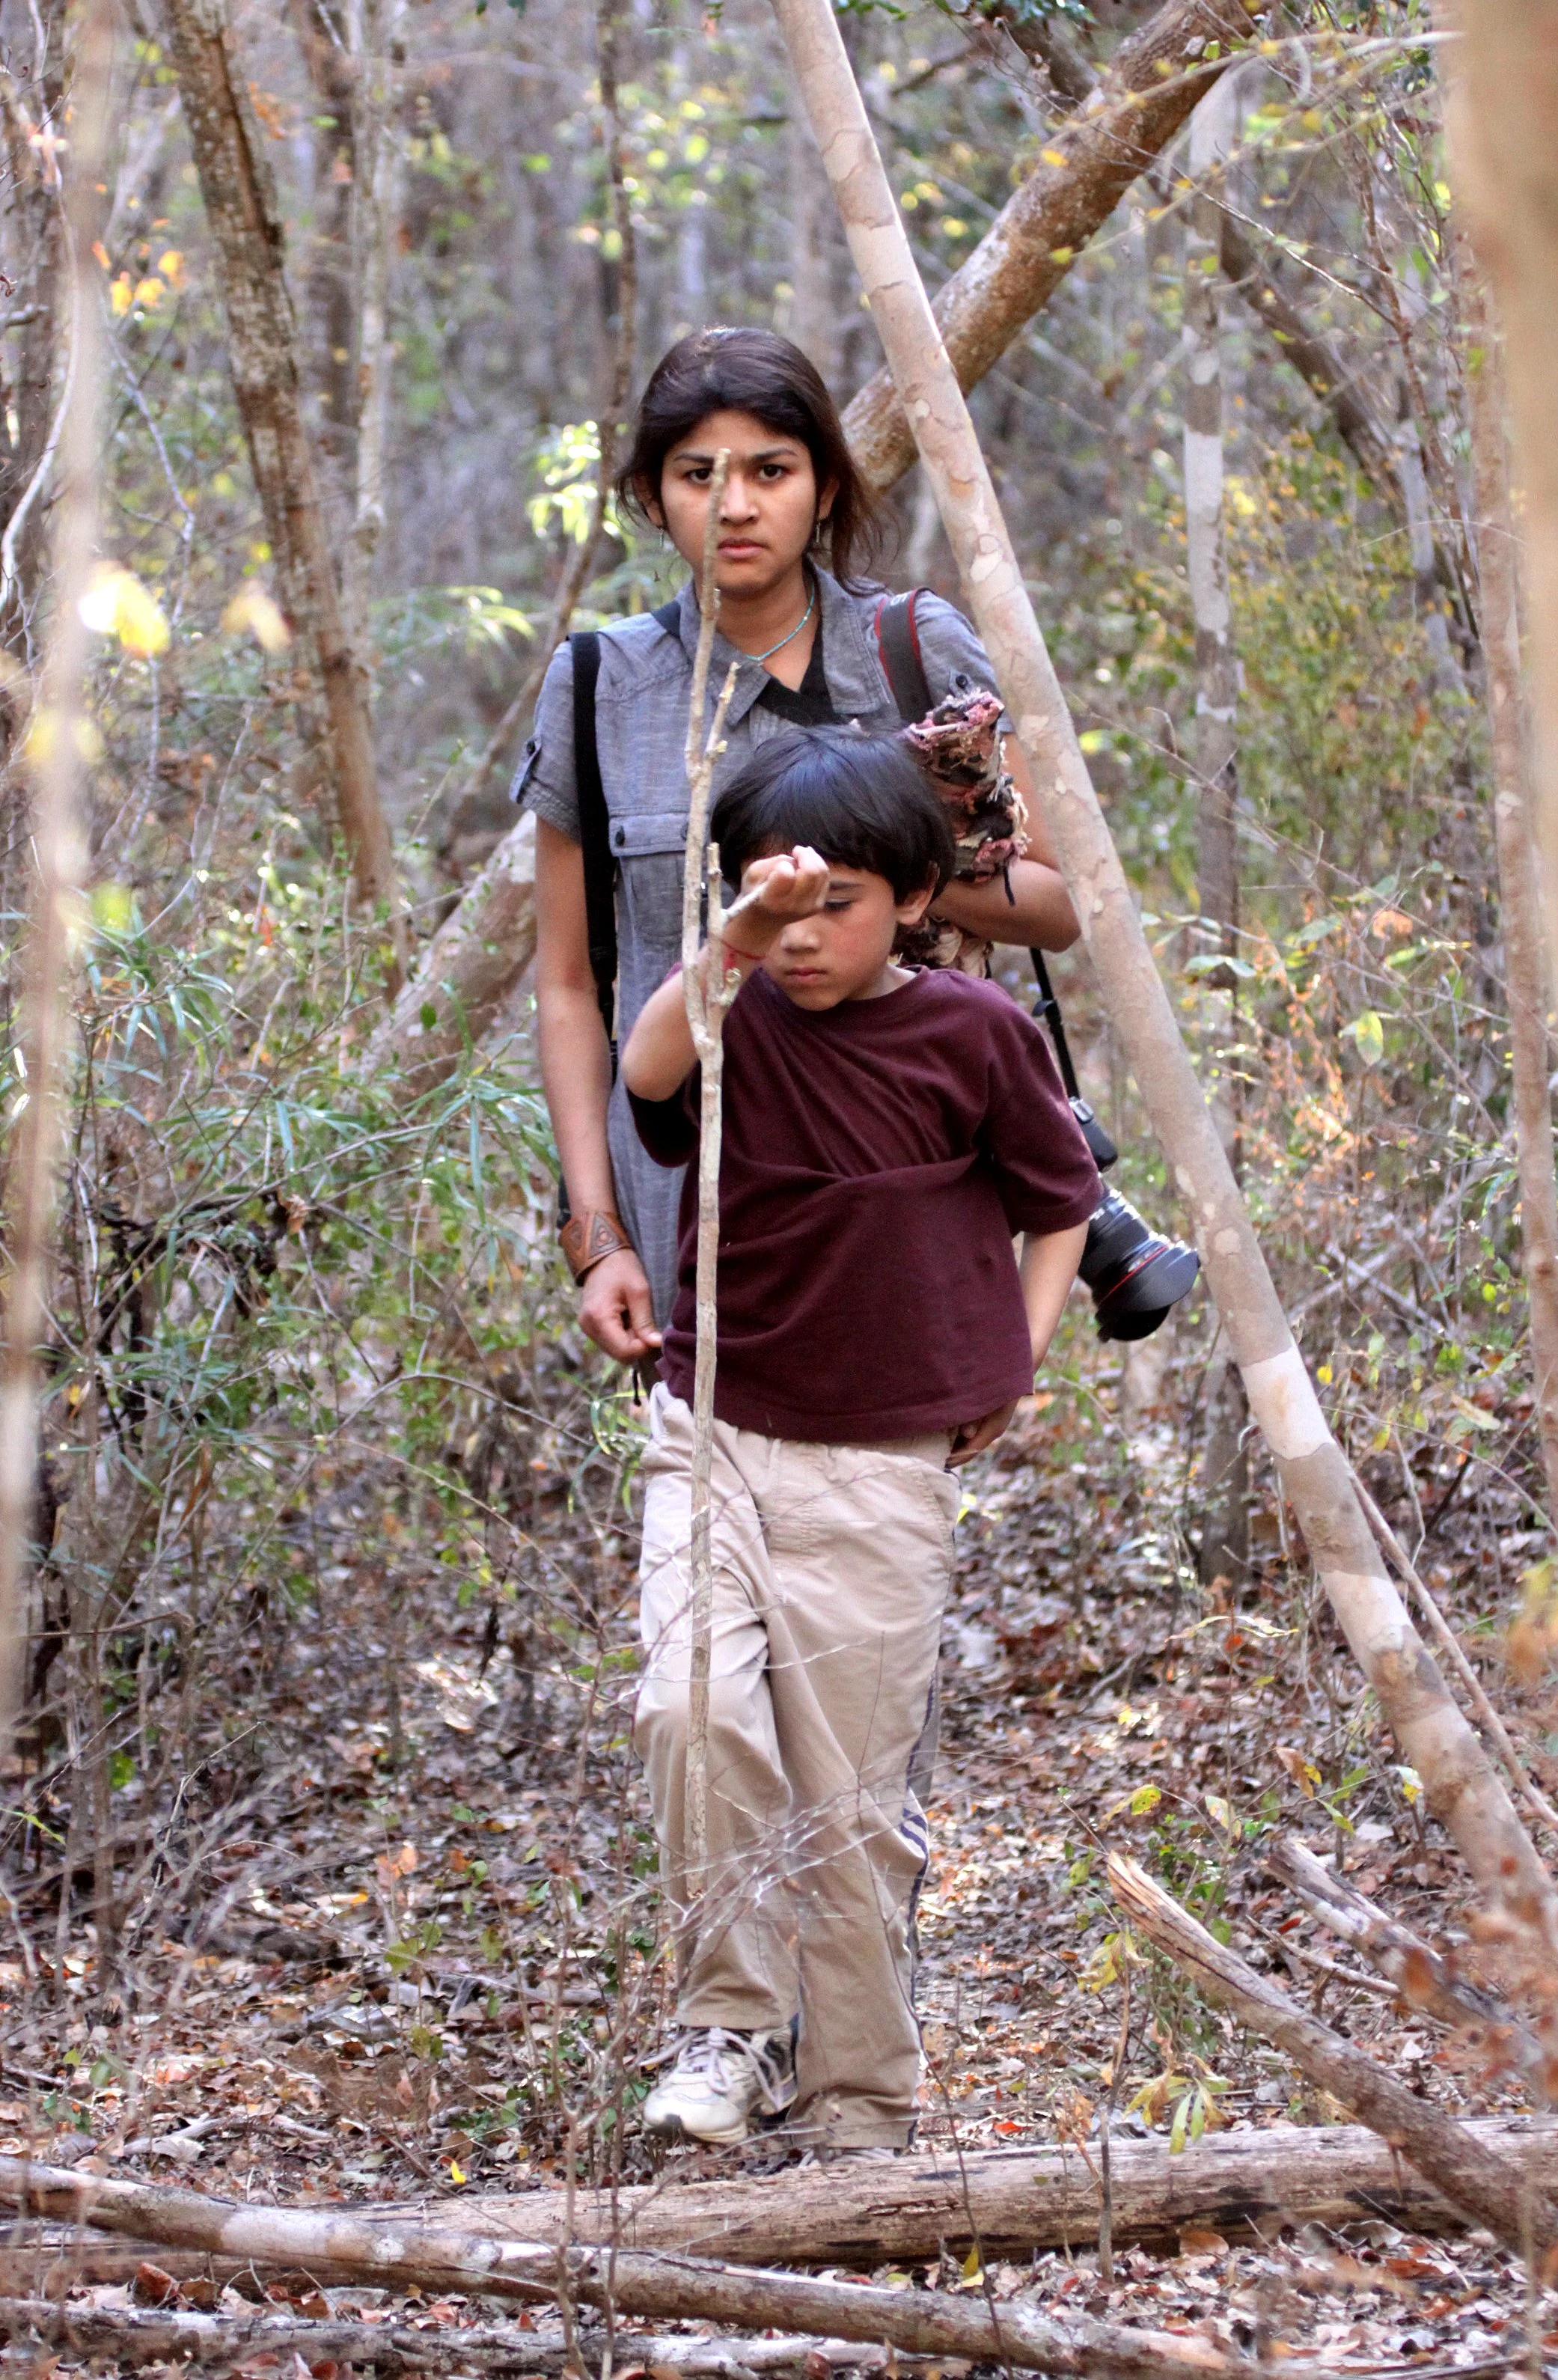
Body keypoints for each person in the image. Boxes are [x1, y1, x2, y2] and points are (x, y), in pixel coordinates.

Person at [617, 728, 1099, 2152]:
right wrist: (742, 934)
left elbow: (1056, 1198)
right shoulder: (733, 1014)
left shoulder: (972, 1033)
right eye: (785, 904)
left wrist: (1014, 1353)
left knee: (852, 1800)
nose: (811, 936)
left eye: (842, 904)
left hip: (882, 1466)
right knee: (688, 1712)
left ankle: (860, 2102)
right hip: (711, 1430)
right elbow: (647, 1073)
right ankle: (727, 2028)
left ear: (912, 897)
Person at [519, 325, 1080, 1352]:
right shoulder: (598, 684)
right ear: (652, 497)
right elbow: (566, 981)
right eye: (698, 475)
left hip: (900, 1205)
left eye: (771, 470)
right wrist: (596, 1235)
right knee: (691, 1498)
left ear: (823, 488)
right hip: (682, 1199)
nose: (735, 506)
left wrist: (873, 869)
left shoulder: (911, 647)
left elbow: (1056, 905)